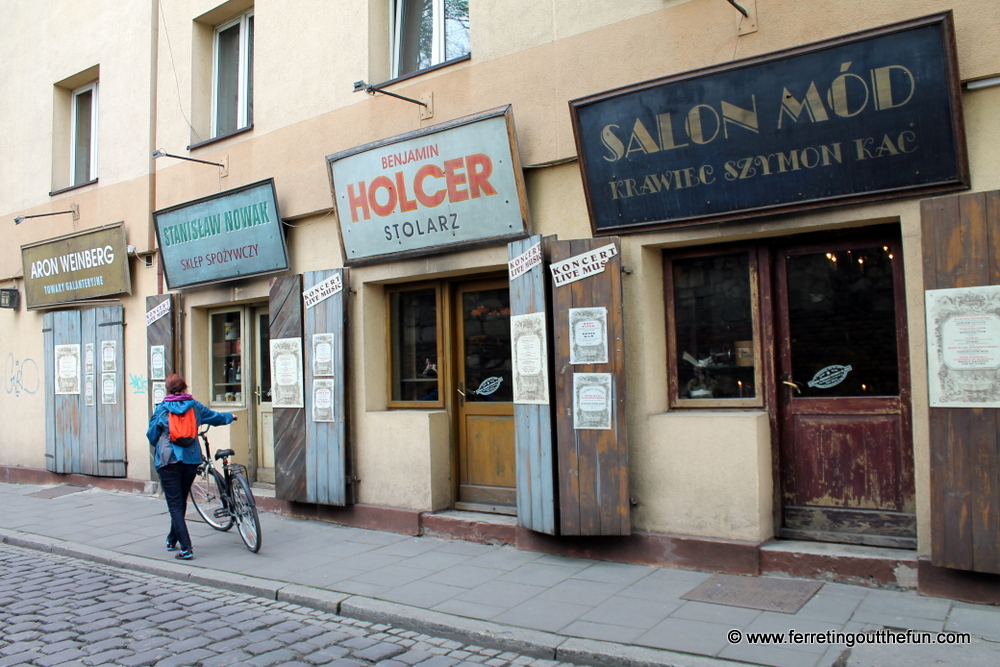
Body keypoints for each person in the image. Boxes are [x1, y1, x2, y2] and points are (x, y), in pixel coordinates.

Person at [146, 374, 236, 560]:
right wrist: (230, 417)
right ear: (184, 388)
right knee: (181, 500)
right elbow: (214, 417)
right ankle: (172, 539)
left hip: (168, 461)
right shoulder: (194, 406)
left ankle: (186, 548)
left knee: (175, 504)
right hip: (190, 460)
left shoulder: (162, 409)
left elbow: (151, 435)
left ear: (168, 389)